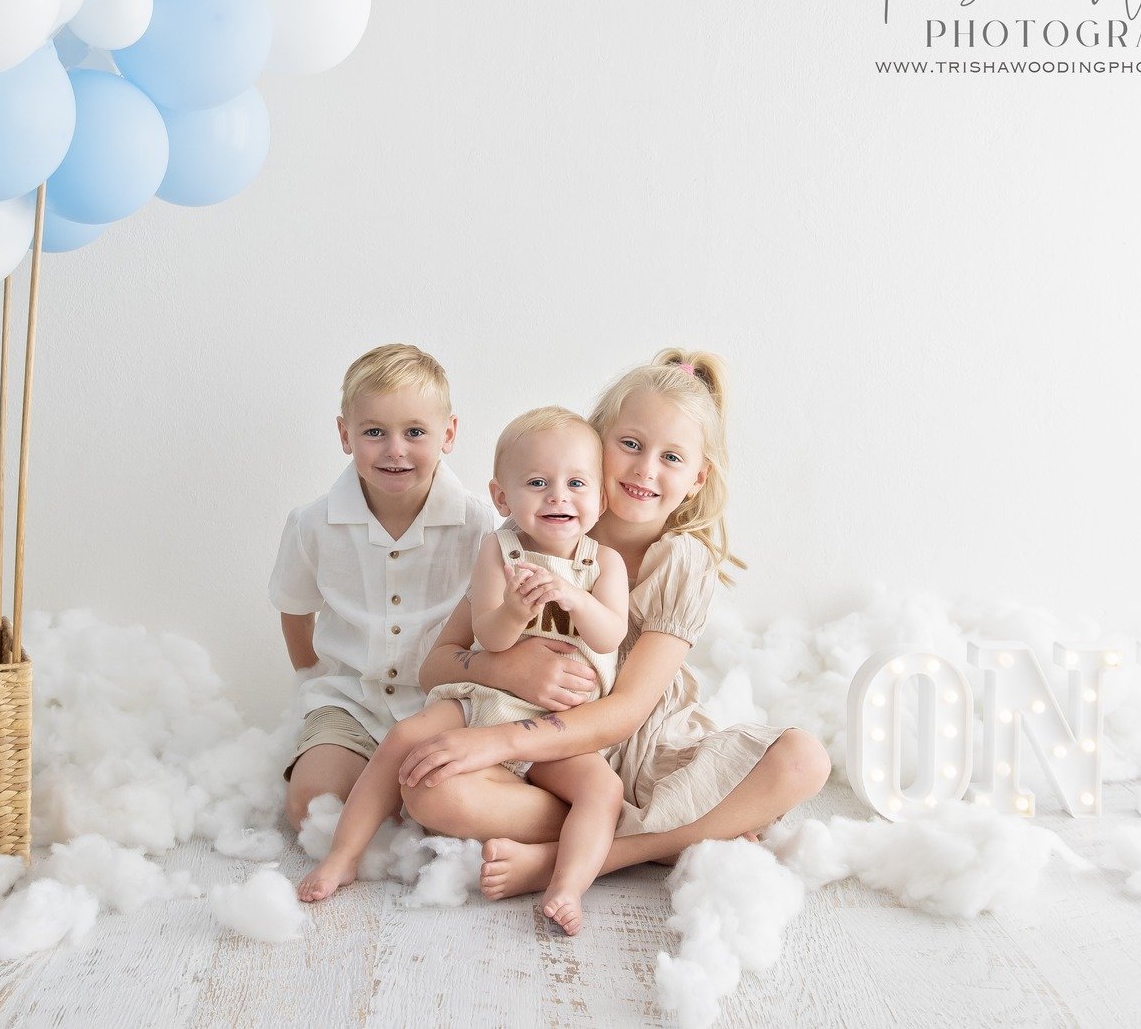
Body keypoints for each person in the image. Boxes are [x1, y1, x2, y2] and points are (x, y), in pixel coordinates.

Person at [395, 349, 833, 899]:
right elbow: (436, 664)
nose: (645, 469)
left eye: (671, 457)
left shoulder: (681, 561)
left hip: (640, 751)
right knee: (428, 794)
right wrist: (507, 672)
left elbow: (626, 712)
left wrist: (497, 743)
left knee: (803, 760)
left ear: (698, 478)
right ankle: (678, 832)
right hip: (556, 765)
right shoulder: (537, 535)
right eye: (630, 444)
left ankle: (600, 858)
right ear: (595, 441)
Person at [297, 408, 629, 934]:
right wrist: (518, 610)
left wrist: (573, 598)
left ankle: (566, 884)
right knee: (406, 735)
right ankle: (343, 854)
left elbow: (610, 635)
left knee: (603, 791)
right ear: (502, 498)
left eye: (576, 484)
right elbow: (491, 637)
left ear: (601, 498)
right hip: (485, 702)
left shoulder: (603, 563)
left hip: (558, 724)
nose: (558, 496)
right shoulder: (500, 550)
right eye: (538, 483)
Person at [270, 343, 499, 829]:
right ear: (345, 434)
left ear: (449, 433)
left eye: (415, 432)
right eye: (374, 432)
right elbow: (294, 608)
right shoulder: (313, 523)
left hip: (443, 704)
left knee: (441, 805)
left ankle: (400, 796)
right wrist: (311, 678)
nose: (395, 450)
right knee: (312, 808)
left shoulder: (479, 523)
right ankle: (365, 780)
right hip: (351, 700)